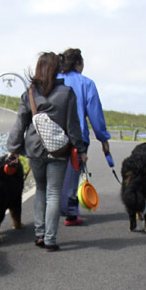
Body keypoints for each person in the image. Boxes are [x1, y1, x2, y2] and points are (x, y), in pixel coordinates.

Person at [6, 52, 86, 252]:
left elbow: (20, 124)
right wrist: (81, 149)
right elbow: (73, 126)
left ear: (38, 69)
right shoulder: (67, 93)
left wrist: (13, 150)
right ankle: (50, 239)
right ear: (57, 68)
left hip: (34, 149)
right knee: (53, 193)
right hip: (58, 151)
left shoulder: (30, 93)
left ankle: (39, 234)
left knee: (40, 190)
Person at [57, 48, 111, 226]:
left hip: (54, 135)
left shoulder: (55, 80)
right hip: (78, 137)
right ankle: (71, 213)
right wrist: (103, 138)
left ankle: (52, 210)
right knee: (73, 174)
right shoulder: (86, 83)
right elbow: (95, 114)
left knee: (54, 174)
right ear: (78, 64)